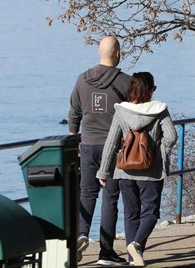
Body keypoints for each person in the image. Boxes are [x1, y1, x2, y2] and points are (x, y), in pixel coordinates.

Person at [97, 72, 177, 267]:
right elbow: (172, 136)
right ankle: (137, 245)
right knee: (150, 213)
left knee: (131, 214)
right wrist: (159, 150)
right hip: (151, 171)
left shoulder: (122, 111)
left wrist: (103, 172)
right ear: (150, 90)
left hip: (124, 171)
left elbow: (111, 143)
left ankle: (133, 260)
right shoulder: (159, 110)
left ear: (131, 89)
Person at [68, 35, 131, 266]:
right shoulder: (126, 82)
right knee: (111, 198)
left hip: (86, 145)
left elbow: (74, 113)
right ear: (118, 54)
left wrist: (75, 141)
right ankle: (106, 252)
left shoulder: (82, 80)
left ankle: (82, 234)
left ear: (99, 53)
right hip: (114, 149)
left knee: (86, 193)